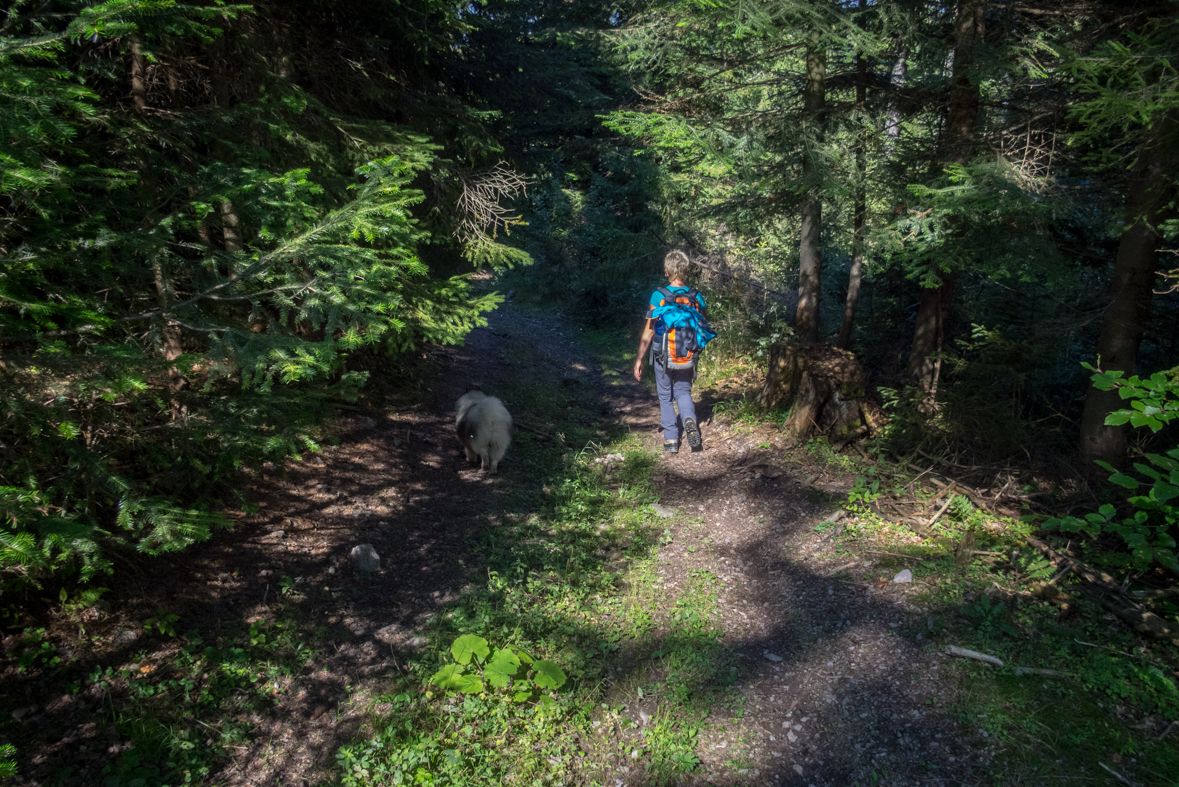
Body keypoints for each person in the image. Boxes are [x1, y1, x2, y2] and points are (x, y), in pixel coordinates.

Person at [633, 249, 705, 453]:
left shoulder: (659, 296)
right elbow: (703, 324)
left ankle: (671, 439)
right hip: (687, 354)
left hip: (662, 356)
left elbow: (649, 330)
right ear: (685, 271)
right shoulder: (696, 296)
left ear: (666, 272)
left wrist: (639, 358)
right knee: (683, 392)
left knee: (665, 396)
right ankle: (689, 418)